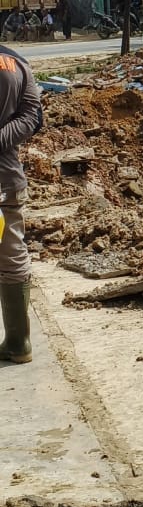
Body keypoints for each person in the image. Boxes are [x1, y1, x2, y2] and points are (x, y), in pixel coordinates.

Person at [0, 45, 42, 363]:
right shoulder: (18, 63)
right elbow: (33, 118)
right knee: (12, 255)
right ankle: (18, 342)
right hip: (7, 182)